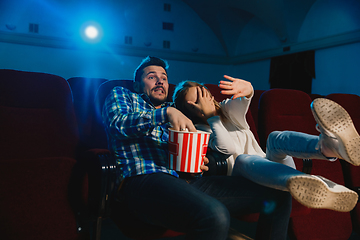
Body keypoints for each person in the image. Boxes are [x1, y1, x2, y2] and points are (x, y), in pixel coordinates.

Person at [102, 56, 292, 240]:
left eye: (164, 78)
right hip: (142, 180)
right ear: (137, 85)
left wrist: (198, 163)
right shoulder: (123, 95)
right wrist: (165, 113)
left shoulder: (178, 109)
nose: (160, 81)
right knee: (215, 215)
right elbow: (118, 124)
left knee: (278, 194)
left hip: (184, 182)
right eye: (152, 77)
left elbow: (200, 142)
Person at [172, 77, 359, 213]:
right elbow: (227, 148)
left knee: (275, 138)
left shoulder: (228, 110)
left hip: (271, 171)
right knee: (243, 159)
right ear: (187, 110)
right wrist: (211, 116)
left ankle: (328, 147)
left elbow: (243, 101)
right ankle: (312, 183)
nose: (203, 101)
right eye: (195, 102)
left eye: (203, 94)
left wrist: (248, 89)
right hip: (242, 182)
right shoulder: (198, 131)